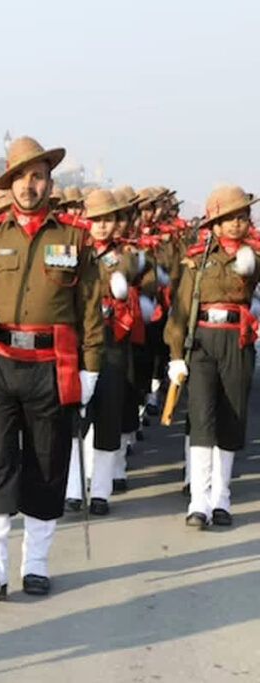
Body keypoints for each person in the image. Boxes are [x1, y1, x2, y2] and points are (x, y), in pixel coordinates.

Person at [0, 136, 103, 599]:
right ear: (9, 183)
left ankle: (36, 563)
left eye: (37, 175)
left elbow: (91, 309)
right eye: (20, 177)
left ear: (49, 182)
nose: (28, 185)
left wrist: (91, 368)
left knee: (46, 463)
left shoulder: (74, 238)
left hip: (51, 366)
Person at [165, 185, 260, 529]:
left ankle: (222, 499)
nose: (236, 223)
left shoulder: (255, 254)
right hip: (202, 342)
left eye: (242, 216)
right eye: (228, 218)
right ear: (214, 225)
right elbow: (181, 310)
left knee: (231, 417)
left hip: (237, 340)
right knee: (202, 418)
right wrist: (176, 354)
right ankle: (199, 502)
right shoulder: (197, 259)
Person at [64, 189, 145, 516]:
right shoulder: (69, 250)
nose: (100, 226)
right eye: (95, 219)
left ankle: (100, 491)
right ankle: (71, 488)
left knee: (108, 415)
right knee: (73, 418)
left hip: (110, 342)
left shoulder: (125, 255)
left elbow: (133, 269)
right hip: (77, 340)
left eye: (107, 220)